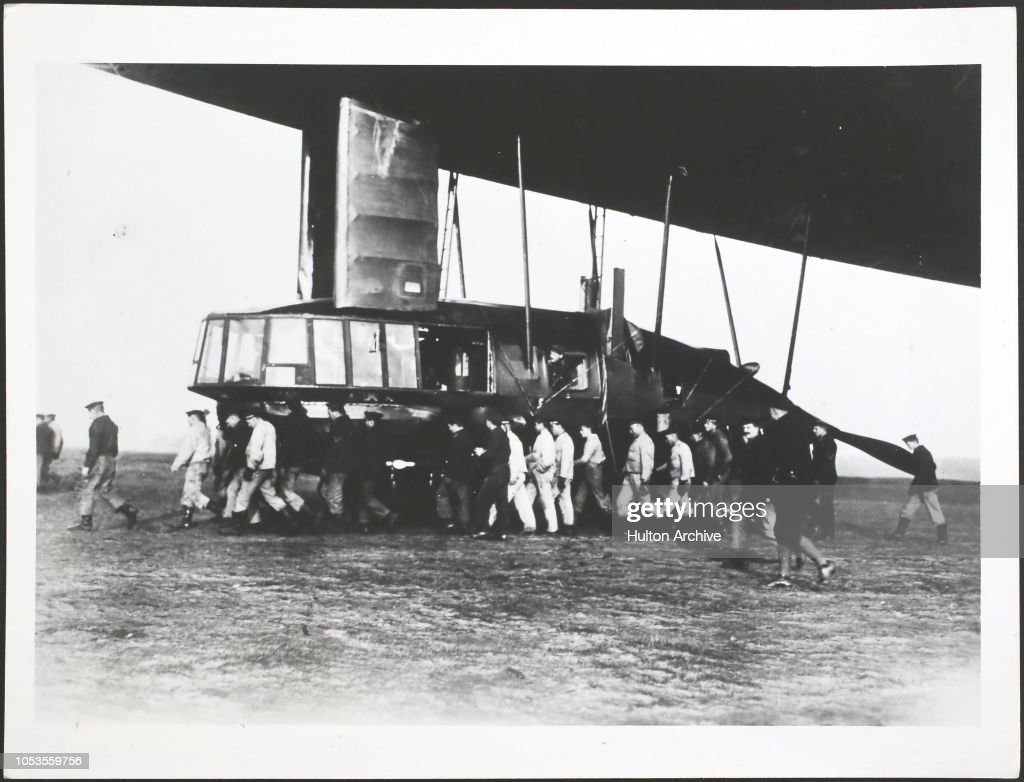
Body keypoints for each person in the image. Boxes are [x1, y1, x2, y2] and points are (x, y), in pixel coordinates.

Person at [762, 405, 836, 587]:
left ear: (774, 410)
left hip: (791, 488)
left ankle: (823, 564)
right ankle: (784, 575)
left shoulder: (781, 428)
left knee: (788, 530)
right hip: (798, 487)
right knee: (781, 530)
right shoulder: (800, 425)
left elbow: (776, 460)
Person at [220, 406, 296, 536]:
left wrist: (250, 468)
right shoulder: (270, 426)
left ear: (254, 418)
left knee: (243, 495)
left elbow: (255, 452)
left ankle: (235, 527)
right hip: (268, 467)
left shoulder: (259, 429)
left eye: (249, 420)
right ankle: (292, 523)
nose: (248, 423)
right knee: (270, 495)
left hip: (258, 468)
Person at [69, 401, 140, 531]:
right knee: (104, 489)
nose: (89, 415)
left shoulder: (96, 425)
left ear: (96, 410)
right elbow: (115, 449)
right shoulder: (113, 425)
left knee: (87, 489)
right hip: (111, 460)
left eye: (90, 412)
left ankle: (86, 523)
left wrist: (87, 466)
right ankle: (129, 510)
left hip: (100, 460)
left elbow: (94, 448)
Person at [886, 434, 947, 544]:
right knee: (907, 509)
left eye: (908, 443)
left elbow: (923, 472)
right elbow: (932, 466)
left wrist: (914, 488)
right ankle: (899, 534)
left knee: (935, 511)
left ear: (914, 441)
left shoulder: (922, 453)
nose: (907, 446)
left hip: (927, 488)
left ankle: (943, 539)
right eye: (906, 444)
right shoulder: (921, 452)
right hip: (921, 488)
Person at [273, 400, 317, 529]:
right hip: (301, 460)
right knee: (287, 488)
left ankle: (306, 512)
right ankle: (302, 513)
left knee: (286, 489)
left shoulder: (291, 420)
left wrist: (281, 462)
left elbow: (287, 444)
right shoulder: (307, 421)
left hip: (291, 461)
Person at [490, 416, 538, 533]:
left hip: (514, 474)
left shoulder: (509, 439)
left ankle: (488, 524)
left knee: (500, 500)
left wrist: (512, 475)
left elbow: (513, 460)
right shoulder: (514, 438)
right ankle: (530, 525)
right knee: (522, 501)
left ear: (506, 425)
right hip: (520, 474)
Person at [169, 409, 214, 529]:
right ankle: (186, 520)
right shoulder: (206, 429)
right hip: (204, 464)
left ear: (193, 418)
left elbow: (187, 448)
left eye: (189, 419)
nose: (188, 421)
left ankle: (222, 512)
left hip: (196, 465)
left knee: (193, 493)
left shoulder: (194, 429)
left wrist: (176, 464)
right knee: (189, 492)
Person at [354, 411, 398, 532]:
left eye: (367, 420)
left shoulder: (371, 436)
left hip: (370, 471)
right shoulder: (383, 436)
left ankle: (387, 514)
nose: (366, 423)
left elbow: (368, 457)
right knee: (364, 495)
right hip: (379, 471)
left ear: (372, 421)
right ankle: (364, 523)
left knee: (365, 495)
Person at [472, 412, 511, 541]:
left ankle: (483, 530)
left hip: (495, 472)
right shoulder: (504, 434)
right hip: (505, 471)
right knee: (502, 503)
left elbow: (490, 455)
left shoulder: (494, 434)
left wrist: (480, 454)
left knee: (483, 500)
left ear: (489, 422)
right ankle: (502, 532)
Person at [319, 403, 358, 530]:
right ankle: (337, 515)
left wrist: (327, 466)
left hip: (338, 465)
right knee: (327, 490)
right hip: (343, 464)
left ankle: (338, 519)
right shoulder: (348, 424)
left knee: (334, 492)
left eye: (329, 412)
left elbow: (335, 449)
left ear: (333, 412)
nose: (329, 415)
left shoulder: (339, 425)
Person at [436, 415, 474, 534]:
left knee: (441, 494)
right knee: (463, 498)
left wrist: (449, 475)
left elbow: (456, 460)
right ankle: (464, 524)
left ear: (457, 425)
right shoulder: (467, 437)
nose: (449, 428)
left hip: (456, 474)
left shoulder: (458, 439)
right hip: (465, 474)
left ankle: (448, 521)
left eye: (450, 426)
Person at [211, 411, 250, 523]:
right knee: (234, 491)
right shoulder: (244, 428)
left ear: (234, 417)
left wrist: (226, 468)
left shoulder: (239, 431)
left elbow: (233, 452)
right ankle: (250, 521)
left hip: (244, 467)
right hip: (246, 467)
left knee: (238, 493)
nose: (227, 423)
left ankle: (233, 521)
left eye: (228, 420)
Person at [526, 416, 559, 534]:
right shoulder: (542, 437)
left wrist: (539, 469)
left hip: (542, 474)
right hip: (536, 473)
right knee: (527, 496)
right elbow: (536, 455)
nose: (534, 427)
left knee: (547, 500)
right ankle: (529, 525)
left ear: (541, 424)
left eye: (535, 424)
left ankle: (552, 528)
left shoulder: (546, 437)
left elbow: (548, 459)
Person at [573, 422, 611, 521]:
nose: (580, 432)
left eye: (582, 429)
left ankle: (613, 522)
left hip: (593, 472)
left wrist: (573, 463)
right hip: (591, 470)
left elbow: (584, 459)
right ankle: (572, 523)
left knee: (600, 498)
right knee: (579, 497)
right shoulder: (594, 440)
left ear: (588, 429)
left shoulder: (592, 441)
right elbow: (603, 457)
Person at [616, 420, 655, 516]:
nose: (630, 431)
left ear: (640, 427)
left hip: (639, 478)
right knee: (621, 504)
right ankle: (634, 522)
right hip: (629, 477)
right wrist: (623, 470)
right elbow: (632, 458)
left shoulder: (645, 441)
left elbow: (647, 461)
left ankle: (663, 518)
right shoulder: (637, 440)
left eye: (631, 429)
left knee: (646, 506)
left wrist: (645, 478)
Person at [810, 421, 838, 540]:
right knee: (817, 502)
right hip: (819, 478)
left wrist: (819, 479)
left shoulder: (829, 443)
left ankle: (827, 533)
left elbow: (825, 463)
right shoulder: (819, 441)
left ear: (823, 428)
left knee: (826, 504)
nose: (813, 431)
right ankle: (824, 530)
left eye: (816, 428)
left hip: (826, 479)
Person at [549, 418, 576, 534]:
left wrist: (562, 477)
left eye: (552, 426)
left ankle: (564, 526)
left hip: (563, 474)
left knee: (554, 498)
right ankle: (567, 525)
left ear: (559, 425)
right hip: (561, 474)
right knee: (564, 499)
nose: (551, 429)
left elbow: (566, 460)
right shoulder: (561, 439)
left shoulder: (566, 440)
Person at [660, 427, 694, 504]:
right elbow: (671, 463)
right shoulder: (674, 448)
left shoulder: (683, 447)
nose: (666, 440)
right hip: (676, 481)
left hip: (679, 482)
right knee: (685, 506)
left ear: (673, 436)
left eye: (666, 438)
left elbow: (686, 465)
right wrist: (657, 470)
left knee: (666, 509)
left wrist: (683, 481)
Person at [702, 417, 734, 489]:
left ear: (714, 425)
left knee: (711, 493)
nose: (705, 425)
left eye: (707, 423)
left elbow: (729, 457)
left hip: (720, 471)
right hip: (715, 469)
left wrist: (720, 472)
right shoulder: (711, 435)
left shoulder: (719, 437)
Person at [37, 414, 54, 489]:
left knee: (37, 468)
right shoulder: (50, 430)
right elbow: (51, 443)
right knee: (44, 468)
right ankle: (43, 486)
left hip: (38, 451)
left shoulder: (37, 428)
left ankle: (37, 485)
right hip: (47, 452)